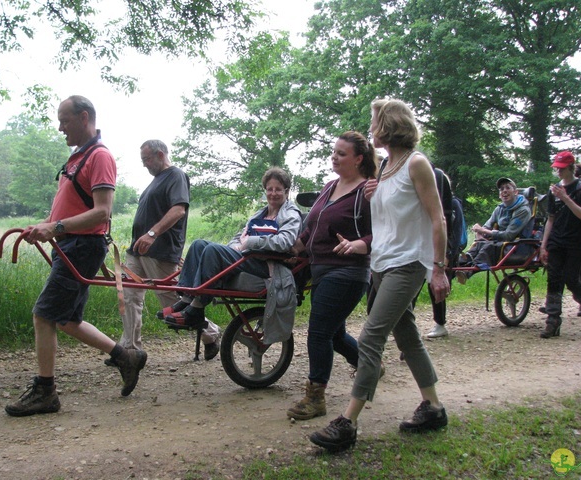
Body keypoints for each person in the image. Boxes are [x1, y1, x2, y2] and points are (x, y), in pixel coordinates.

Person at [309, 98, 450, 452]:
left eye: (374, 121)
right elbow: (387, 221)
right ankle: (433, 407)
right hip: (381, 264)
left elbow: (438, 218)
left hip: (408, 264)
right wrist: (372, 204)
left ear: (388, 125)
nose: (371, 128)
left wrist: (439, 268)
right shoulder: (386, 167)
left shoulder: (417, 164)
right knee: (408, 337)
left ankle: (348, 422)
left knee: (371, 337)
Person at [5, 95, 147, 417]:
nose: (60, 128)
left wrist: (55, 227)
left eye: (64, 120)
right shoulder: (76, 159)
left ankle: (45, 392)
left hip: (83, 246)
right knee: (66, 319)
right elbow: (69, 209)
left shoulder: (99, 156)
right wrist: (42, 227)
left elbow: (102, 213)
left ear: (84, 118)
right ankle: (126, 356)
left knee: (44, 315)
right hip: (71, 245)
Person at [106, 140, 221, 365]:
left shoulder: (176, 176)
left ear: (160, 155)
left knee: (170, 301)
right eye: (143, 160)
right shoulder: (154, 182)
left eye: (147, 159)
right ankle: (129, 350)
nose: (145, 165)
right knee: (128, 298)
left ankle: (211, 333)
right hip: (137, 251)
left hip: (160, 250)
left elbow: (178, 210)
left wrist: (152, 233)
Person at [286, 131, 376, 421]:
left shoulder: (368, 191)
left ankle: (315, 397)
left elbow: (385, 231)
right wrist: (294, 249)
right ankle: (369, 365)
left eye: (341, 153)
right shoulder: (329, 186)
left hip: (348, 271)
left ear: (359, 159)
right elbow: (311, 228)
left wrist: (359, 244)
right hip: (320, 268)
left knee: (319, 332)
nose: (334, 157)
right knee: (334, 334)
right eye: (333, 152)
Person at [162, 167, 302, 328]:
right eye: (269, 189)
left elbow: (285, 241)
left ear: (286, 191)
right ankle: (186, 299)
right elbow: (238, 237)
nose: (273, 193)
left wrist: (250, 243)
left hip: (268, 264)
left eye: (278, 189)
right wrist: (236, 246)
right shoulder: (259, 214)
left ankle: (197, 308)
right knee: (198, 245)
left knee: (212, 251)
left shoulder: (291, 214)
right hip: (248, 257)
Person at [539, 151, 581, 338]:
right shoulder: (554, 191)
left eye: (561, 168)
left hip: (575, 241)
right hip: (556, 241)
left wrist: (566, 198)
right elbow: (550, 219)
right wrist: (544, 245)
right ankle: (552, 321)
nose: (558, 172)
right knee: (554, 279)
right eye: (556, 168)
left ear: (570, 168)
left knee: (571, 279)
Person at [455, 177, 531, 284]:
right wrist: (480, 233)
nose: (504, 191)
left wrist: (484, 231)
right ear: (499, 195)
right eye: (501, 189)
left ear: (515, 192)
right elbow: (487, 226)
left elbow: (509, 235)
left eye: (508, 188)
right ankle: (457, 265)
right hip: (500, 243)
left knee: (488, 247)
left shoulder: (523, 210)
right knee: (478, 246)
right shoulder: (499, 209)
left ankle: (468, 272)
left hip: (515, 246)